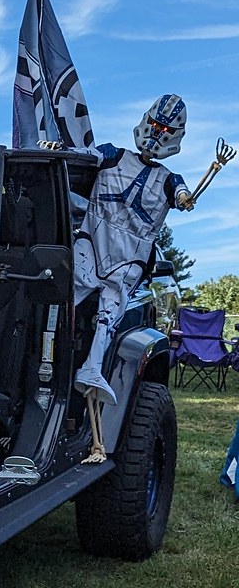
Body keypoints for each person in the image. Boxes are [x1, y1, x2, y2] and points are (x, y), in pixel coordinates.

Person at [43, 94, 194, 460]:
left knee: (108, 311)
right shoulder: (113, 155)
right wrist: (60, 152)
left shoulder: (168, 179)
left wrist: (185, 196)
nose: (156, 134)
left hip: (128, 261)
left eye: (164, 130)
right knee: (60, 301)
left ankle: (92, 369)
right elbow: (85, 157)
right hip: (92, 245)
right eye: (154, 125)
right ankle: (47, 360)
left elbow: (181, 194)